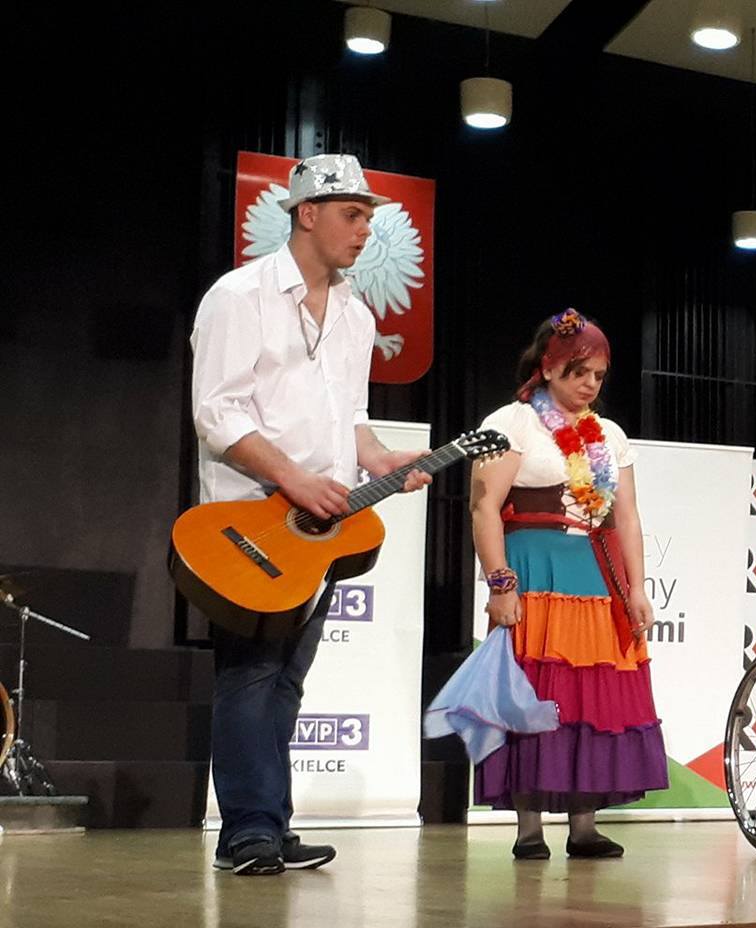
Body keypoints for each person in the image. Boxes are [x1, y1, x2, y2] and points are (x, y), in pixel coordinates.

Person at [190, 153, 429, 875]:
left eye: (368, 218)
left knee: (287, 679)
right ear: (307, 213)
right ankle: (247, 831)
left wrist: (380, 459)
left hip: (319, 530)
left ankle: (269, 823)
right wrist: (293, 479)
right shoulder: (240, 296)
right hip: (249, 525)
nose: (364, 231)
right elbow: (217, 412)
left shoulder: (356, 314)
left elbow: (349, 418)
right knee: (250, 673)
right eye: (352, 215)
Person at [467, 309, 670, 860]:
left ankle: (584, 827)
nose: (589, 384)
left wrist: (637, 588)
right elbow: (484, 508)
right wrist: (500, 584)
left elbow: (626, 516)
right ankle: (528, 830)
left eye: (598, 375)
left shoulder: (609, 435)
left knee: (591, 695)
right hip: (533, 570)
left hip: (594, 571)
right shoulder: (512, 422)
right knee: (537, 691)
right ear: (548, 367)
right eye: (579, 372)